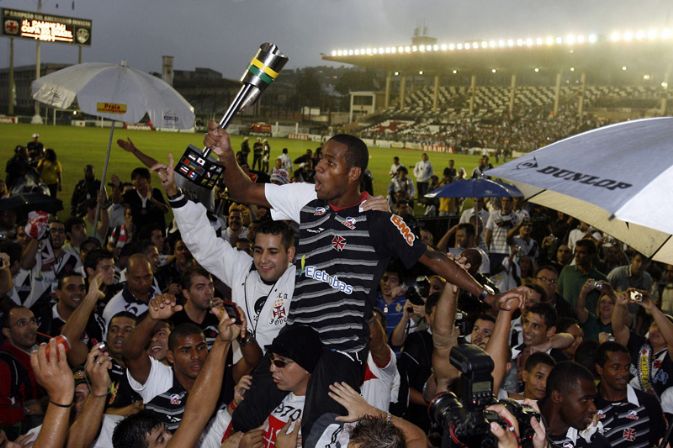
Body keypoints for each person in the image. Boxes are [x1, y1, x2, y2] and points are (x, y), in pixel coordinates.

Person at [153, 125, 500, 440]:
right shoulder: (307, 201)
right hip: (298, 335)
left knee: (317, 433)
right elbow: (242, 190)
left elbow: (434, 258)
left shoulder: (379, 221)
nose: (318, 167)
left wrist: (486, 294)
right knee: (245, 417)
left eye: (330, 163)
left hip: (341, 346)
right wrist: (227, 156)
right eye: (320, 159)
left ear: (353, 173)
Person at [594, 341, 665, 447]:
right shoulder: (590, 407)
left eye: (626, 367)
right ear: (599, 369)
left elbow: (661, 440)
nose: (624, 373)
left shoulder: (647, 402)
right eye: (616, 367)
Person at [612, 290, 673, 396]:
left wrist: (652, 308)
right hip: (627, 399)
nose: (657, 330)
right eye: (654, 325)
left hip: (657, 404)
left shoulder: (669, 355)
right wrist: (619, 305)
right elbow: (619, 329)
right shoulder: (638, 343)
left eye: (662, 328)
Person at [539, 361, 610, 447]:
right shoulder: (527, 430)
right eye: (584, 400)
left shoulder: (593, 441)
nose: (593, 408)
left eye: (593, 400)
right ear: (557, 397)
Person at [0, 306, 42, 435]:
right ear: (7, 332)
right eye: (22, 323)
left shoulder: (42, 351)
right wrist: (26, 411)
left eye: (33, 321)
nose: (32, 328)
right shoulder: (4, 365)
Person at [558, 239, 607, 312]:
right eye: (576, 251)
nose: (577, 255)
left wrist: (596, 284)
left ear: (592, 255)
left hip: (588, 318)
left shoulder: (599, 278)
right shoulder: (567, 271)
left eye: (582, 252)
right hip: (567, 316)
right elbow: (558, 293)